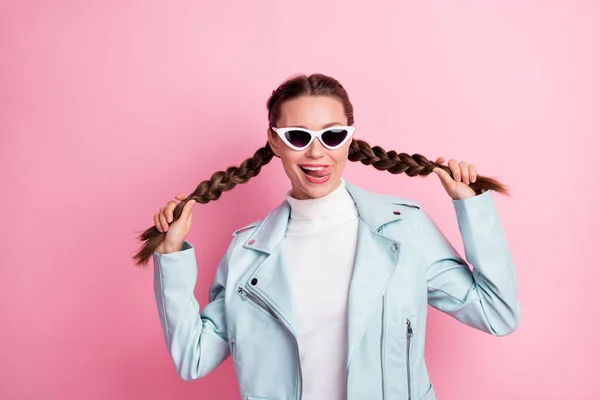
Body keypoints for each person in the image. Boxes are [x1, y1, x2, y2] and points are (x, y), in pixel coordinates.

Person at [135, 73, 520, 400]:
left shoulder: (405, 230)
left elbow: (497, 313)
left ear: (349, 140)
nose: (317, 152)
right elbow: (193, 358)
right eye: (298, 137)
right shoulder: (247, 253)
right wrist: (171, 258)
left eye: (333, 135)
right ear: (274, 141)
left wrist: (472, 209)